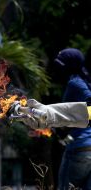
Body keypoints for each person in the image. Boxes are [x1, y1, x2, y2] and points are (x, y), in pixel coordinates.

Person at [19, 48, 91, 189]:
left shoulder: (75, 82)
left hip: (78, 149)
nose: (58, 70)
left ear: (70, 66)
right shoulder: (84, 80)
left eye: (61, 66)